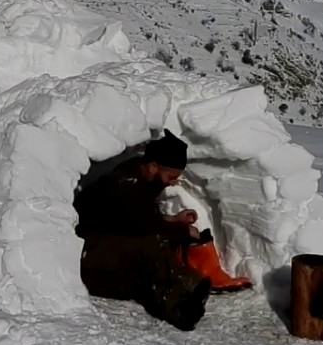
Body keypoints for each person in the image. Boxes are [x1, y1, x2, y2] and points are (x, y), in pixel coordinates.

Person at [74, 130, 251, 331]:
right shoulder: (126, 185)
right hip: (88, 258)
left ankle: (194, 284)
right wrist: (183, 232)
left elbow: (140, 219)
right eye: (171, 176)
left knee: (158, 244)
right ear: (152, 167)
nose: (173, 182)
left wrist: (174, 220)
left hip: (105, 249)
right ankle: (180, 308)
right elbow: (148, 227)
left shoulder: (139, 179)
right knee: (152, 245)